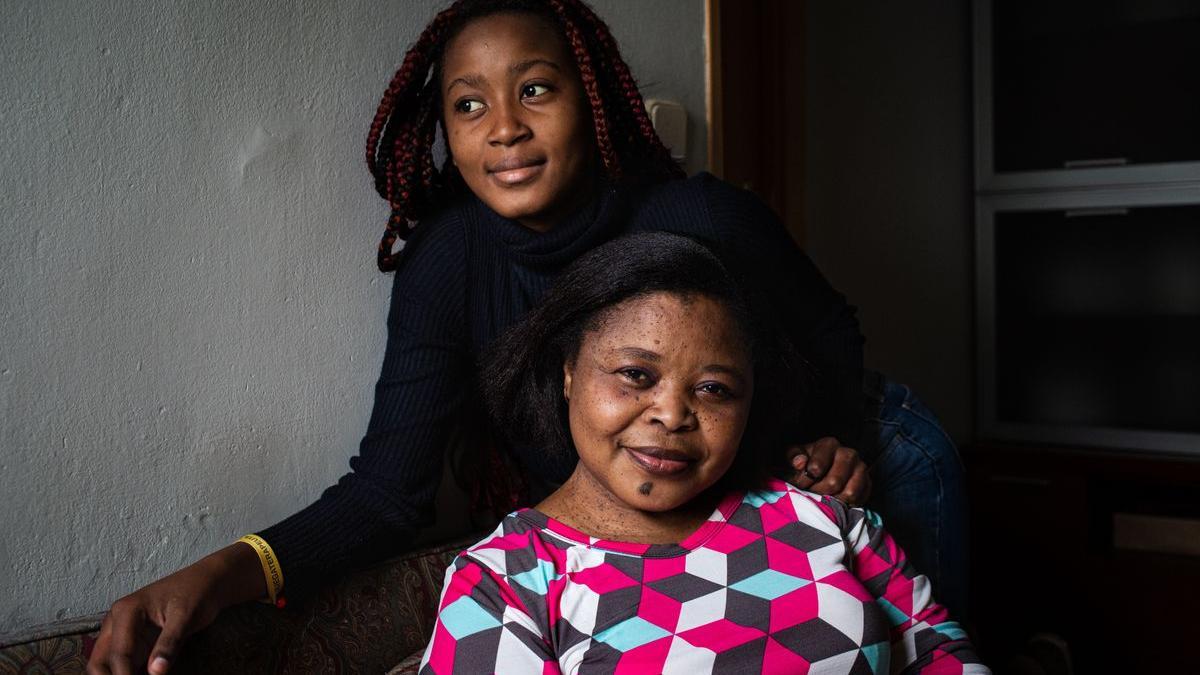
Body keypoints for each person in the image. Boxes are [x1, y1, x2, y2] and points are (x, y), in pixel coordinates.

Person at [87, 1, 965, 673]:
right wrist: (220, 571)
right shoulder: (449, 261)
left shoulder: (701, 215)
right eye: (470, 105)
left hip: (861, 444)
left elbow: (829, 334)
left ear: (594, 100)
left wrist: (829, 442)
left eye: (534, 89)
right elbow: (388, 492)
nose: (504, 126)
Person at [419, 232, 985, 673]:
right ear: (569, 372)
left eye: (713, 389)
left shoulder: (824, 517)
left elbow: (942, 656)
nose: (671, 414)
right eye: (635, 374)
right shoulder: (505, 584)